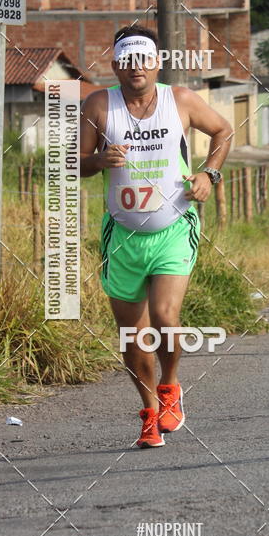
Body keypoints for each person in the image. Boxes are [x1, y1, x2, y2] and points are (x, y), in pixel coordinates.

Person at [80, 25, 232, 448]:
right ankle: (148, 413)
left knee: (165, 317)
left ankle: (170, 387)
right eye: (126, 60)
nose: (136, 68)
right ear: (115, 65)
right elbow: (73, 164)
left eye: (143, 59)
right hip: (122, 234)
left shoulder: (179, 99)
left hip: (173, 226)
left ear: (157, 63)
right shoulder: (99, 104)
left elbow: (223, 131)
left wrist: (209, 173)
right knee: (133, 335)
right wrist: (98, 160)